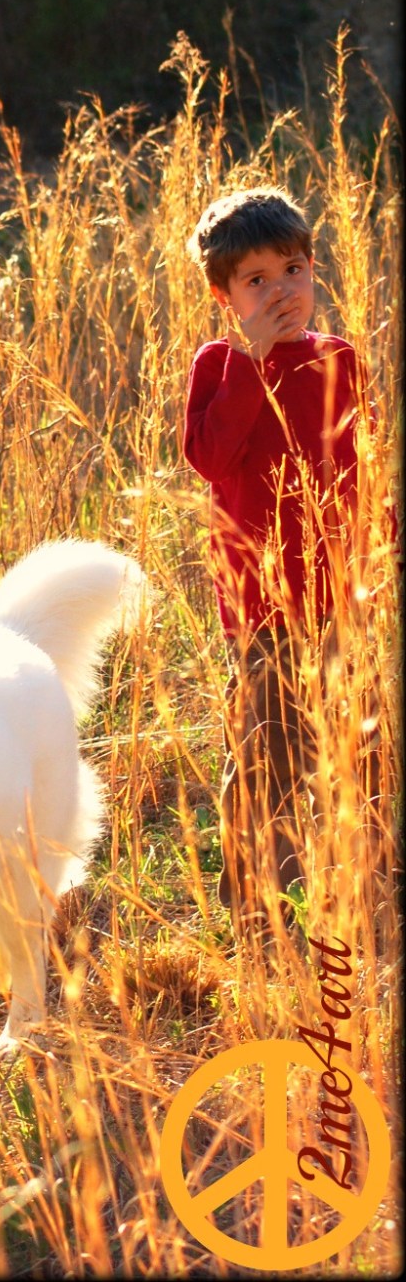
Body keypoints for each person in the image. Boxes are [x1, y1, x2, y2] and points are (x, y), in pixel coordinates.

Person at [182, 186, 379, 942]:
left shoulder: (339, 360)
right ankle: (260, 909)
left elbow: (363, 467)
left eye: (293, 270)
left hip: (342, 592)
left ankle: (368, 883)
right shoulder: (219, 365)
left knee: (359, 742)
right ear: (225, 296)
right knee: (267, 751)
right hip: (261, 602)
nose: (280, 293)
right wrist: (253, 363)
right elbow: (209, 457)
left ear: (313, 268)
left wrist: (382, 548)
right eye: (256, 281)